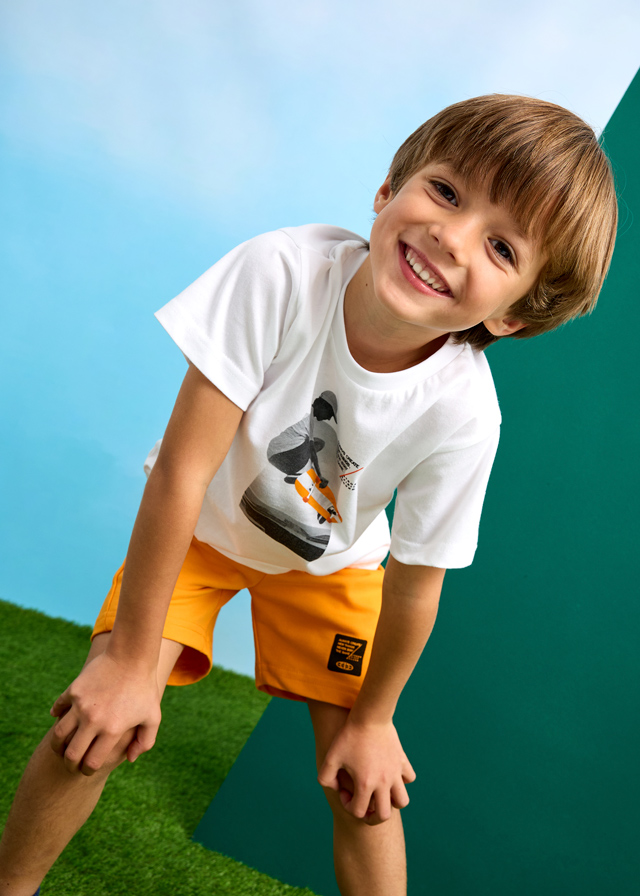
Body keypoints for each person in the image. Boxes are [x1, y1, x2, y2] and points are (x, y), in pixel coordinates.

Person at [0, 94, 617, 896]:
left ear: (517, 316)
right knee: (97, 725)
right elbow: (183, 472)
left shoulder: (466, 413)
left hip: (330, 567)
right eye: (446, 191)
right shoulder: (281, 272)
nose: (452, 236)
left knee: (367, 789)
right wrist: (124, 662)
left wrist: (375, 720)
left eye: (501, 246)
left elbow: (416, 584)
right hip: (201, 530)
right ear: (389, 187)